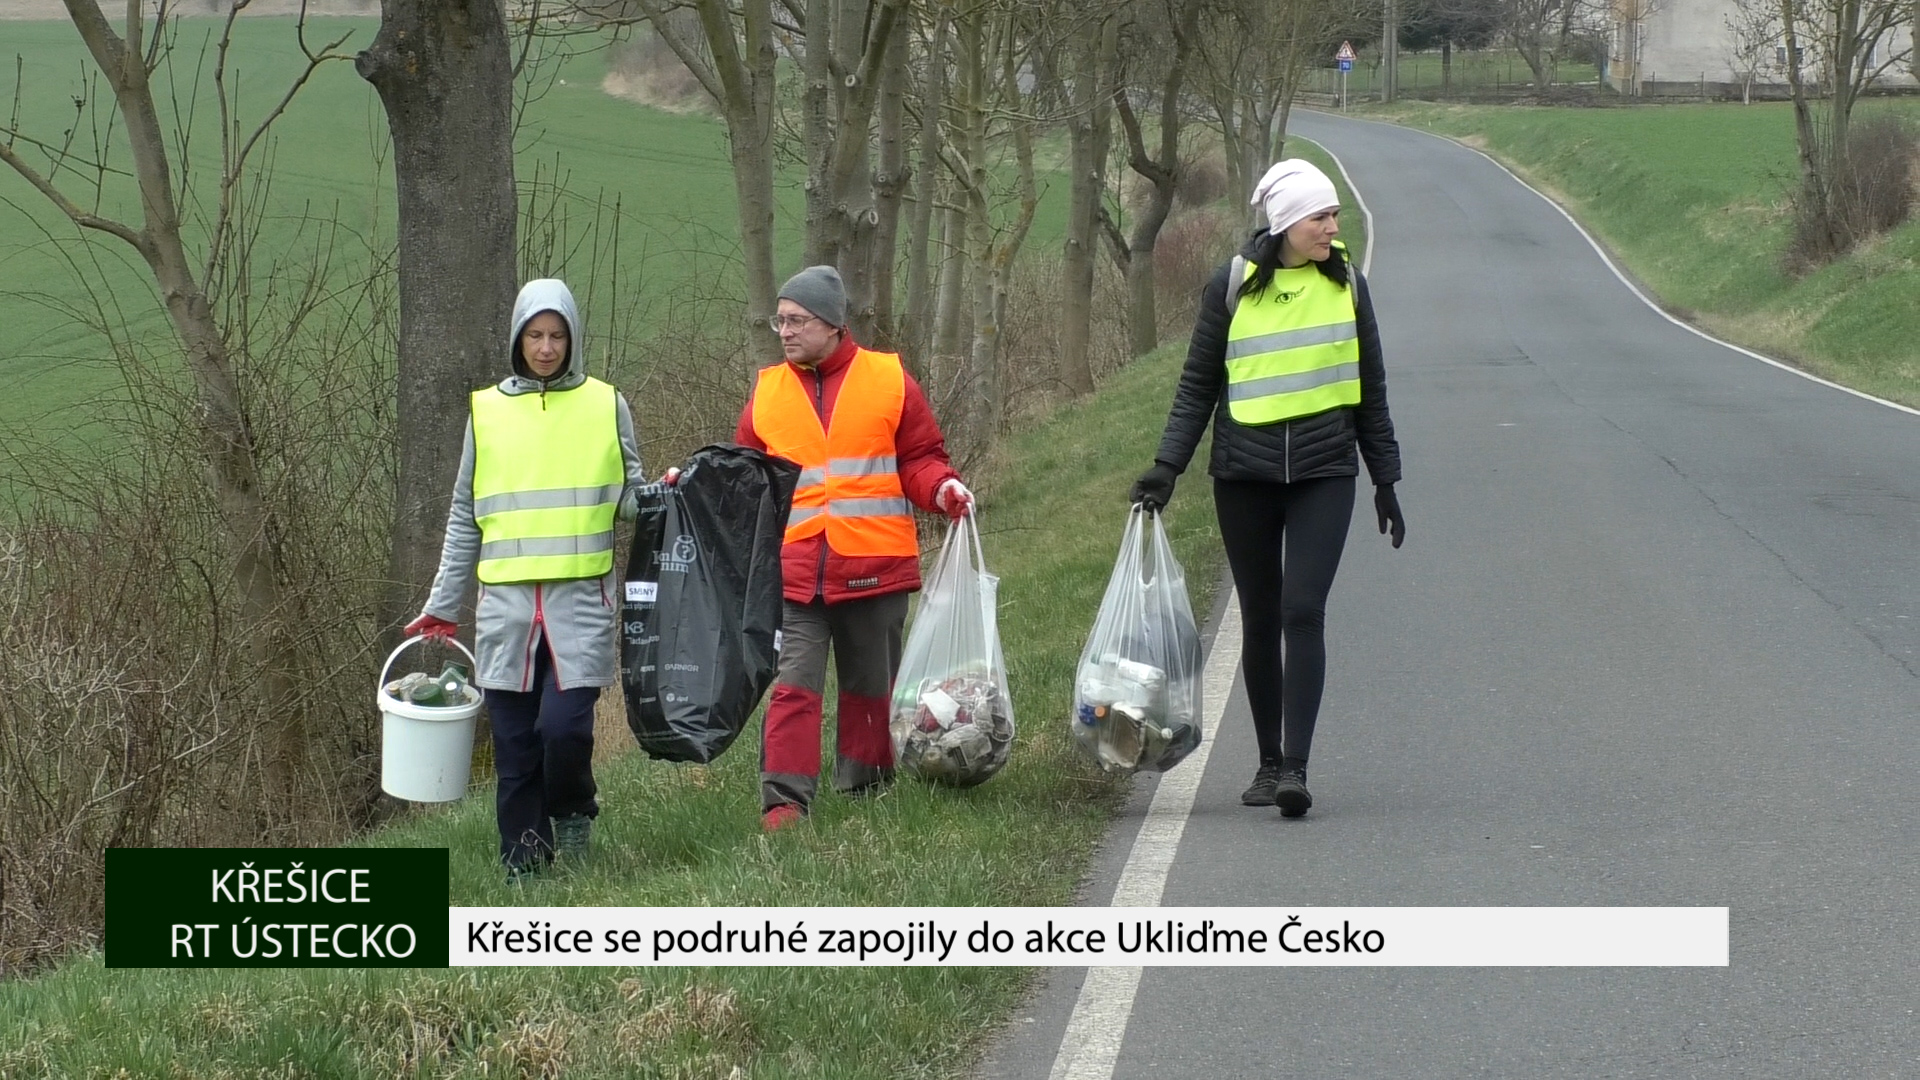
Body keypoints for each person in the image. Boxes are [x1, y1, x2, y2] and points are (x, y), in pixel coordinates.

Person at [1131, 159, 1405, 819]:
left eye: (1335, 214)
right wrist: (1167, 467)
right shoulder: (1232, 286)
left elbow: (1371, 390)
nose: (1334, 227)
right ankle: (1265, 762)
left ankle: (1296, 769)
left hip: (1325, 472)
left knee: (1302, 611)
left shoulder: (1350, 288)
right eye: (1322, 216)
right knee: (1259, 615)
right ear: (1285, 223)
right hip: (1244, 474)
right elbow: (1197, 387)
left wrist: (1385, 478)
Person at [405, 278, 646, 880]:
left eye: (556, 335)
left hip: (581, 605)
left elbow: (630, 500)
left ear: (573, 338)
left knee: (562, 731)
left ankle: (573, 813)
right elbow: (466, 513)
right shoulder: (485, 411)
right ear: (517, 338)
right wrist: (442, 603)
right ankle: (523, 864)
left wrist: (665, 493)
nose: (545, 347)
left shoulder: (605, 403)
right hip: (506, 612)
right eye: (535, 336)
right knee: (514, 748)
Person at [734, 265, 971, 831]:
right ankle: (784, 803)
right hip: (794, 574)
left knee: (870, 688)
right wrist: (690, 486)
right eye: (780, 321)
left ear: (833, 324)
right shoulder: (767, 390)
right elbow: (741, 475)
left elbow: (920, 457)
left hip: (875, 566)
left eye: (796, 321)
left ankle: (867, 789)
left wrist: (942, 488)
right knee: (793, 686)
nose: (784, 331)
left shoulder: (889, 380)